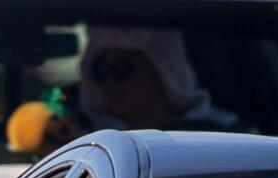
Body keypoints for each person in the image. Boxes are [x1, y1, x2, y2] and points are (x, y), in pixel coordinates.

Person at [78, 26, 242, 132]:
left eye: (122, 68)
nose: (109, 81)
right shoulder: (89, 144)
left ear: (163, 69)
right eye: (99, 69)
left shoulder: (230, 134)